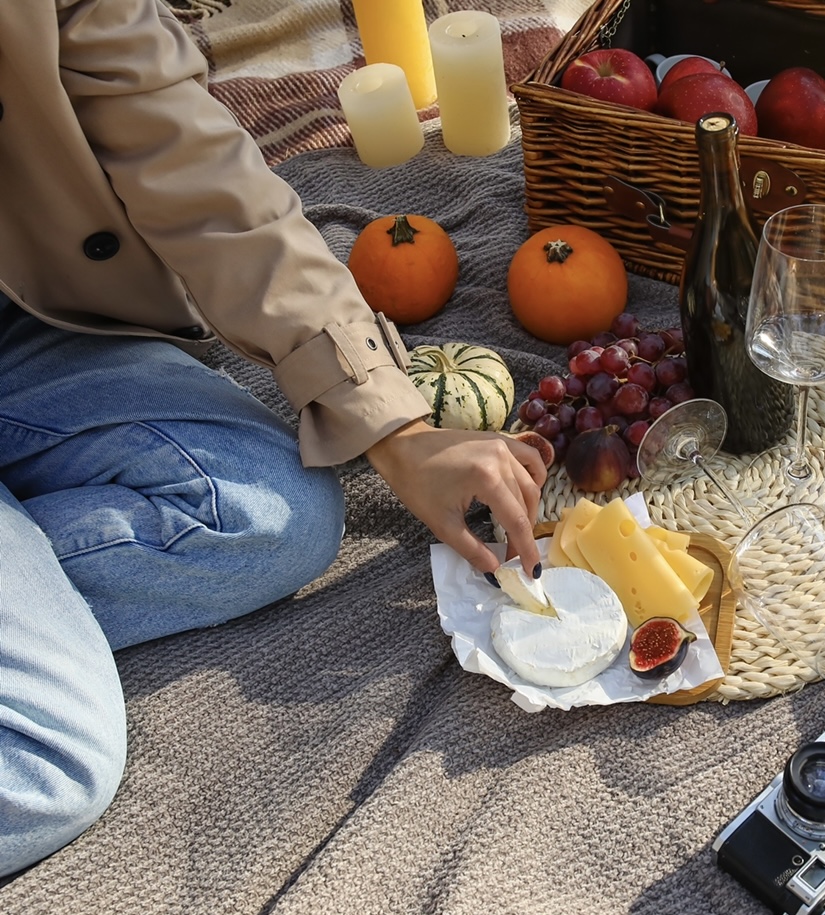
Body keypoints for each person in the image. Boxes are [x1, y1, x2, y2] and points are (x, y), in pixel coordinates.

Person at [0, 0, 546, 877]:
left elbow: (190, 157)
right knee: (46, 767)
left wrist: (395, 424)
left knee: (276, 511)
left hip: (24, 322)